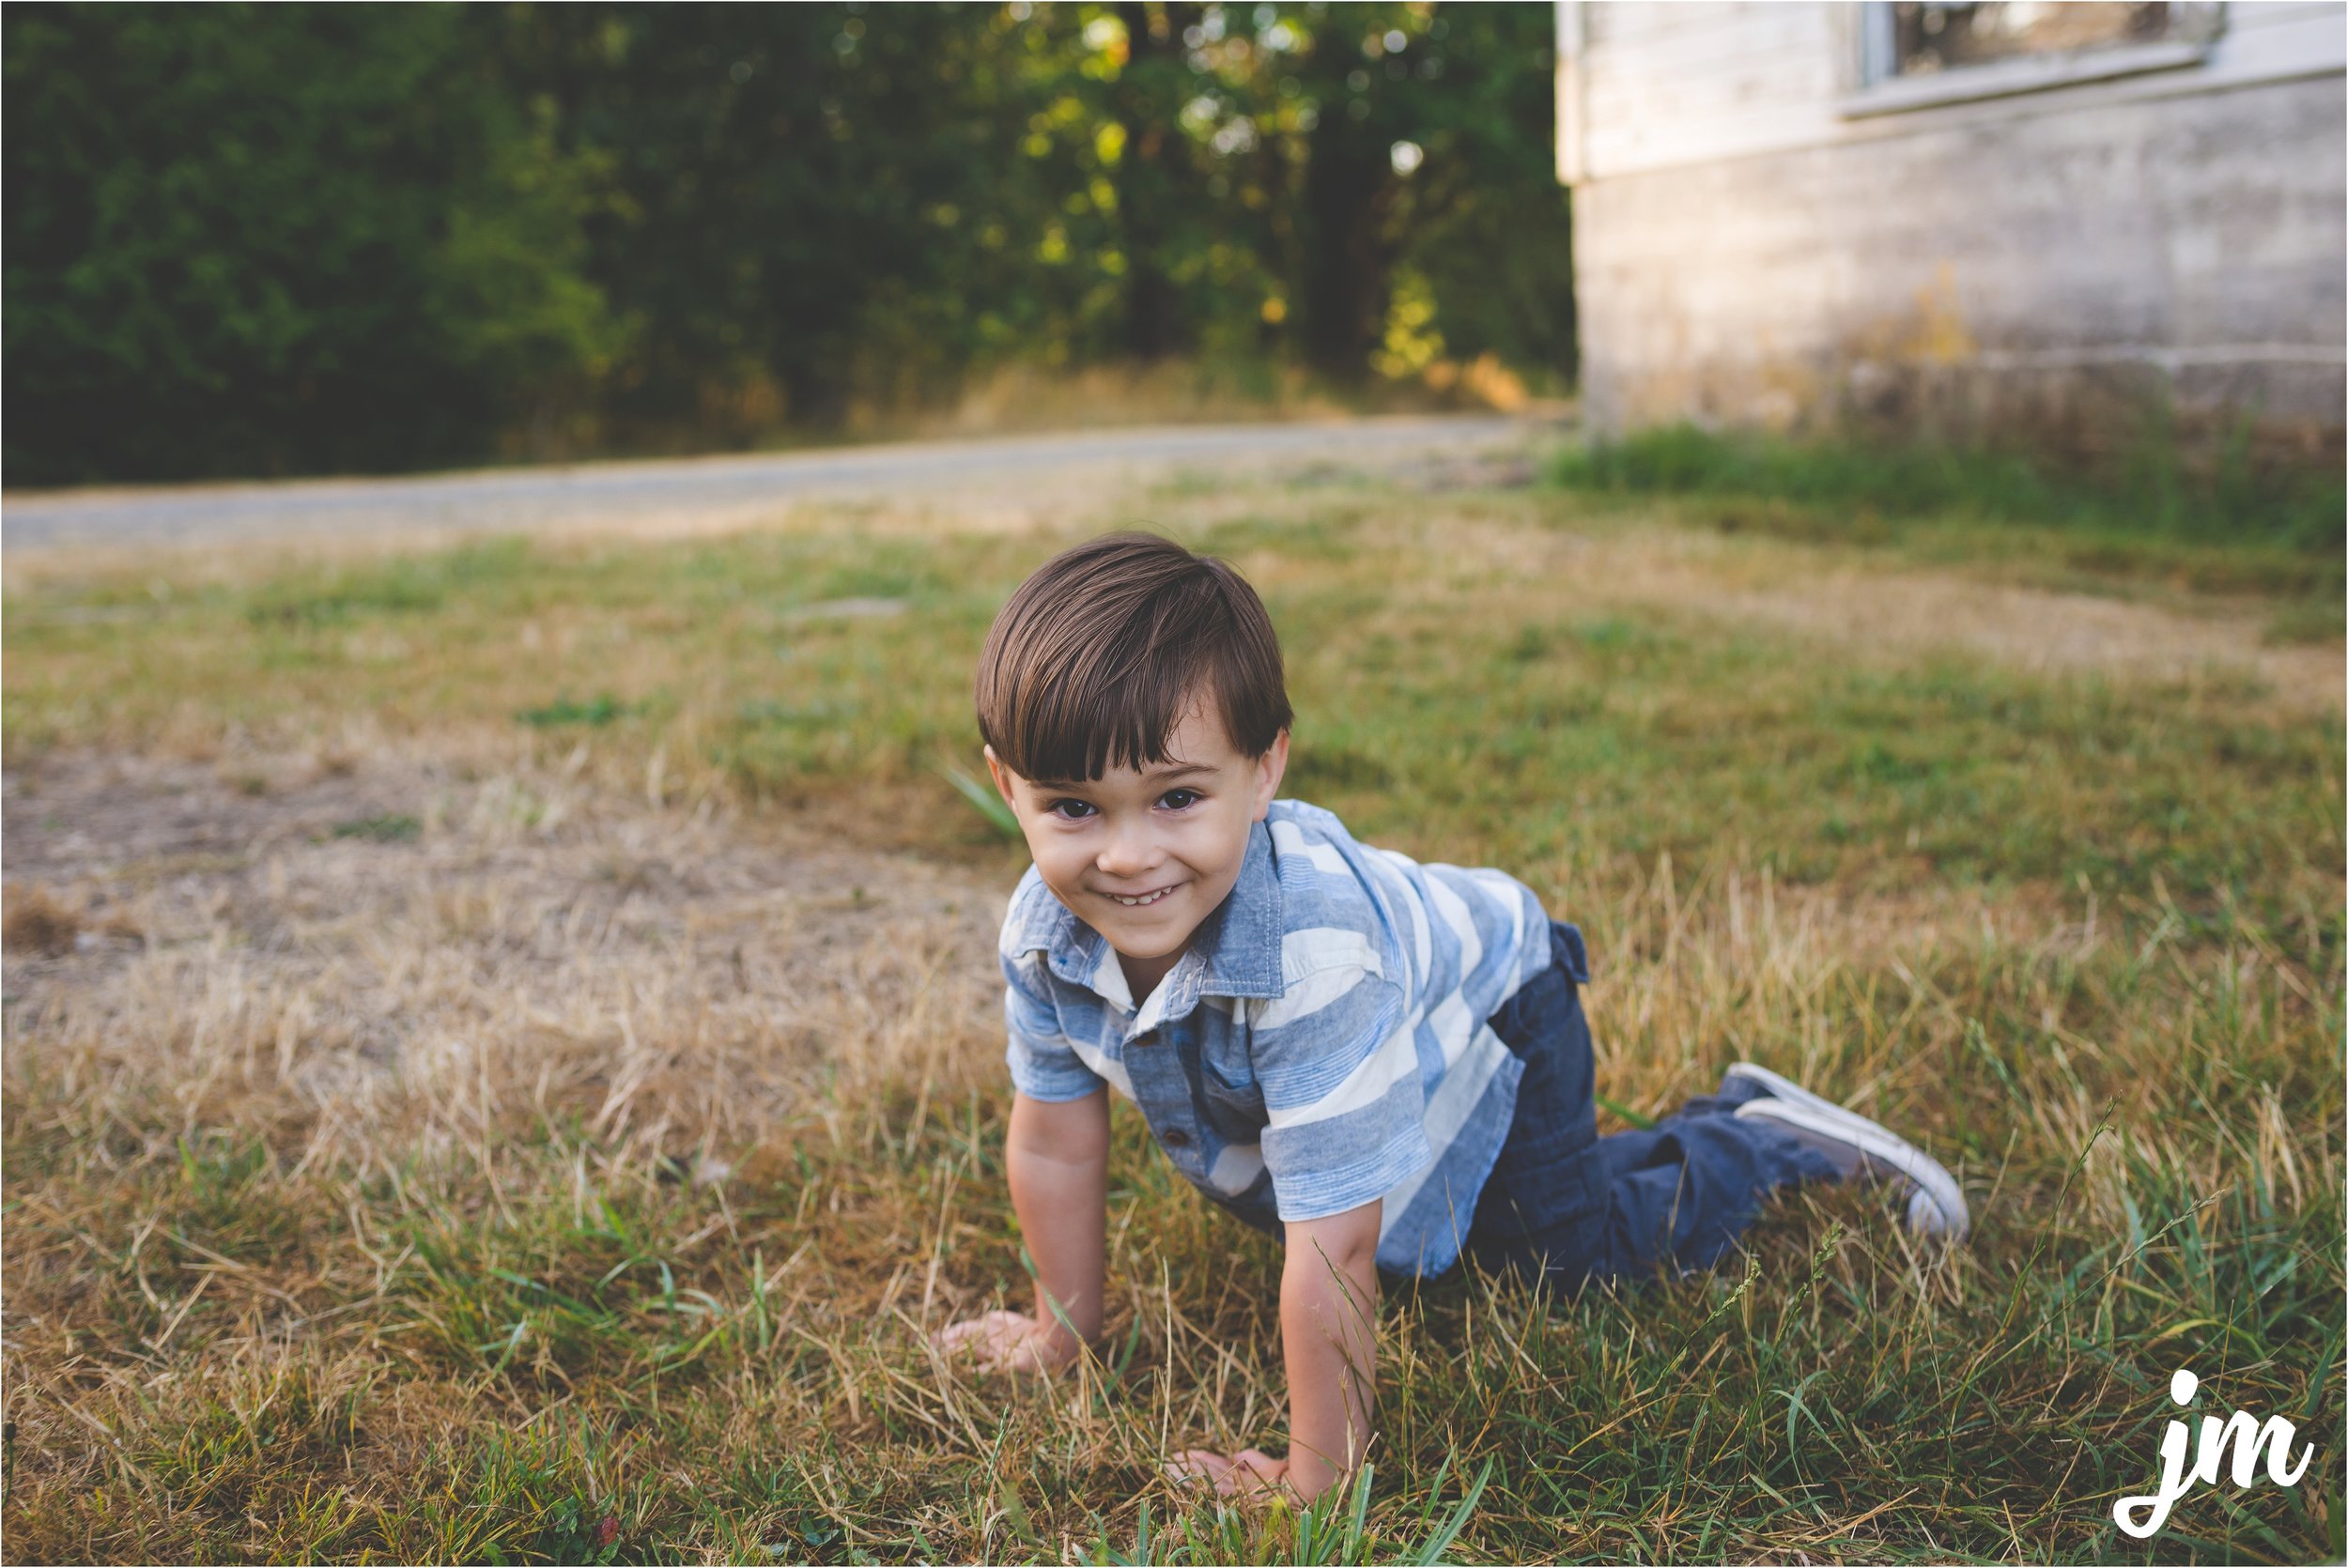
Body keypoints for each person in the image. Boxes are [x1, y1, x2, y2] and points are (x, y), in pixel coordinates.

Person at [931, 532, 1969, 1501]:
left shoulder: (1314, 958)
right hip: (1396, 1035)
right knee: (1418, 1229)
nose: (1124, 854)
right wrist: (1062, 1329)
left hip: (1500, 1010)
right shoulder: (1043, 932)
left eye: (1175, 798)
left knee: (1565, 1264)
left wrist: (1316, 1477)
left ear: (1265, 771)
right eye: (1073, 806)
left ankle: (1757, 1139)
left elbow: (1332, 1243)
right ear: (1005, 785)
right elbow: (1057, 1138)